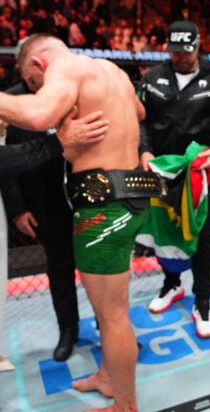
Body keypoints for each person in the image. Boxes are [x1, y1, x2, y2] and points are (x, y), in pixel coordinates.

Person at [0, 33, 161, 411]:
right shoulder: (111, 71)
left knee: (113, 314)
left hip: (103, 205)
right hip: (130, 195)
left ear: (39, 64)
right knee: (108, 309)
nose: (38, 88)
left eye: (34, 81)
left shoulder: (66, 68)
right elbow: (138, 112)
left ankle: (125, 404)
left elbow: (39, 115)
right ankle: (108, 377)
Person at [138, 20, 210, 338]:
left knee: (203, 238)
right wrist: (144, 151)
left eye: (186, 50)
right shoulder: (152, 78)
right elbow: (142, 121)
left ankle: (203, 301)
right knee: (165, 230)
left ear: (198, 46)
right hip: (163, 170)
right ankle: (172, 284)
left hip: (199, 170)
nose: (180, 56)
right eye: (175, 51)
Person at [0, 111, 107, 372]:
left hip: (89, 197)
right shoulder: (16, 106)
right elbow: (6, 160)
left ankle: (110, 329)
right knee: (60, 267)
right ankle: (68, 330)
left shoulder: (75, 96)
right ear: (28, 70)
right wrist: (17, 209)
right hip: (45, 204)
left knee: (100, 265)